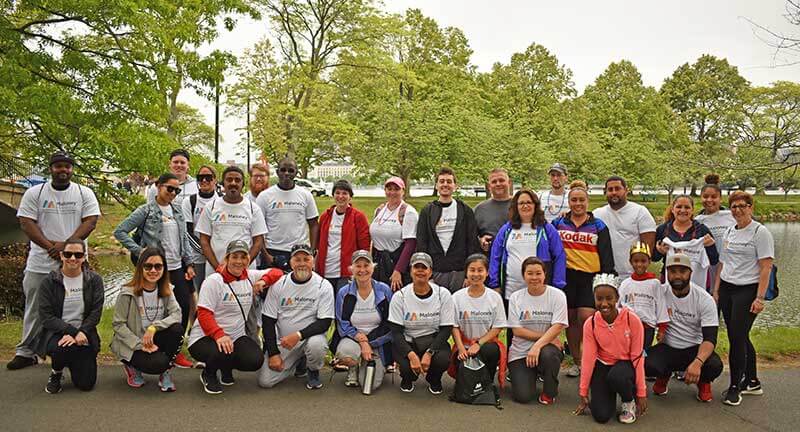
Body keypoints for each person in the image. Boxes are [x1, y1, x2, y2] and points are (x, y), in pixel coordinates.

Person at [11, 151, 100, 370]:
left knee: (78, 306)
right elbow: (26, 222)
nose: (63, 170)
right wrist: (50, 247)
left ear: (72, 169)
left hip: (74, 261)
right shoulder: (35, 192)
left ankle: (75, 347)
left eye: (67, 167)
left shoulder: (83, 192)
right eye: (59, 166)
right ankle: (26, 352)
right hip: (41, 261)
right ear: (51, 168)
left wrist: (66, 246)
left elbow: (90, 221)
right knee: (34, 306)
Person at [115, 172, 196, 368]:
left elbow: (183, 239)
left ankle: (174, 352)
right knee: (152, 310)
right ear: (158, 186)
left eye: (177, 190)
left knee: (183, 308)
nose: (173, 193)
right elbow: (120, 231)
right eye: (169, 188)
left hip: (177, 267)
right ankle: (141, 348)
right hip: (155, 269)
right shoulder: (146, 210)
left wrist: (189, 263)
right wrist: (140, 251)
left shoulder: (177, 211)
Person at [188, 240, 283, 394]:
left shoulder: (251, 276)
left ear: (248, 259)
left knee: (255, 359)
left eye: (243, 257)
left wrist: (263, 281)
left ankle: (226, 368)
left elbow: (277, 273)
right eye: (235, 257)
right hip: (206, 337)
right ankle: (208, 373)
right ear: (227, 258)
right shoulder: (213, 281)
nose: (239, 261)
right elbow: (204, 314)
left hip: (236, 336)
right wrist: (219, 335)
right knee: (220, 350)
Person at [713, 191, 774, 406]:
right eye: (734, 206)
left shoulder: (760, 232)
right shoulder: (730, 230)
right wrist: (716, 289)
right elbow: (722, 263)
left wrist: (760, 298)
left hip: (747, 290)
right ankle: (753, 381)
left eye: (742, 205)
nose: (738, 210)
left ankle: (734, 386)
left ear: (751, 207)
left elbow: (766, 267)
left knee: (737, 338)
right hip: (728, 288)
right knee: (739, 335)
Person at [552, 180, 615, 378]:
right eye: (573, 200)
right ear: (568, 202)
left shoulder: (598, 225)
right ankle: (578, 362)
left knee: (586, 318)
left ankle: (592, 358)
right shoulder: (558, 223)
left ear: (588, 201)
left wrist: (606, 280)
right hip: (566, 277)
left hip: (590, 278)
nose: (578, 203)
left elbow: (606, 256)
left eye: (581, 200)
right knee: (569, 320)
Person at [488, 189, 566, 348]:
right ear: (515, 206)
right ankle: (514, 363)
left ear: (535, 205)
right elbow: (495, 256)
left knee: (539, 323)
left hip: (539, 288)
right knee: (514, 327)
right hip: (512, 288)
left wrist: (557, 285)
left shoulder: (545, 228)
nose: (525, 206)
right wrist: (494, 284)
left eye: (529, 202)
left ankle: (542, 358)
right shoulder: (508, 229)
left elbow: (559, 255)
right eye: (521, 203)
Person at [645, 253, 723, 403]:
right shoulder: (660, 292)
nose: (677, 276)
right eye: (673, 272)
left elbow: (710, 338)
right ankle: (663, 375)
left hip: (694, 348)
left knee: (714, 365)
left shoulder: (705, 299)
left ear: (690, 273)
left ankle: (704, 382)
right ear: (667, 273)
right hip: (668, 347)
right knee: (646, 362)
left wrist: (698, 363)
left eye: (682, 271)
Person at [258, 244, 335, 390]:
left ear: (313, 261)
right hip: (285, 343)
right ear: (291, 262)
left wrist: (298, 335)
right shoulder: (279, 285)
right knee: (265, 382)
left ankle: (312, 369)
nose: (302, 264)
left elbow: (324, 322)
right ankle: (297, 363)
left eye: (306, 259)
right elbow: (268, 321)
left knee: (316, 345)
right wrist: (273, 353)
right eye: (297, 259)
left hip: (308, 339)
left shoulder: (323, 285)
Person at [574, 274, 647, 424]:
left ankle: (628, 400)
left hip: (625, 365)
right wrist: (583, 391)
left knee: (617, 376)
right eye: (599, 299)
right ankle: (609, 394)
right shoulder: (591, 323)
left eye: (609, 298)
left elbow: (638, 357)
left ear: (617, 298)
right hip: (603, 365)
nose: (604, 303)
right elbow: (588, 358)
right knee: (601, 416)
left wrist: (641, 392)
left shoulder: (631, 320)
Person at [34, 238, 104, 393]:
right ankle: (56, 373)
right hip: (58, 333)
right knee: (63, 348)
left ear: (84, 257)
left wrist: (81, 332)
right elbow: (46, 317)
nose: (73, 258)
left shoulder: (94, 280)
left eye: (78, 255)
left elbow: (96, 313)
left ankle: (73, 361)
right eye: (68, 254)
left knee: (86, 385)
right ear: (61, 255)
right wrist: (73, 332)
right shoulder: (49, 282)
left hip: (84, 333)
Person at [110, 247, 184, 392]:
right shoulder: (127, 293)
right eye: (148, 266)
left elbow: (177, 314)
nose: (153, 270)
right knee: (158, 364)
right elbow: (118, 325)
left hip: (153, 338)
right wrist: (139, 344)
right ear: (140, 268)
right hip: (133, 342)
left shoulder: (167, 289)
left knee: (177, 329)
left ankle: (165, 373)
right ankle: (131, 366)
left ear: (164, 268)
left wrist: (154, 327)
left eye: (158, 266)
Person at [388, 252, 454, 394]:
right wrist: (412, 356)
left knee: (442, 359)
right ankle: (407, 378)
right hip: (408, 341)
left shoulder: (443, 294)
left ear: (430, 271)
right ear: (410, 270)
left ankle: (434, 379)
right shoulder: (400, 296)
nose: (420, 271)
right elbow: (396, 333)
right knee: (407, 367)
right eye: (416, 267)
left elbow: (446, 329)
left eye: (424, 267)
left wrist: (429, 353)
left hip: (433, 341)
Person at [507, 257, 568, 406]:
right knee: (523, 397)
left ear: (545, 274)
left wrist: (537, 346)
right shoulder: (516, 297)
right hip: (520, 352)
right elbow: (517, 331)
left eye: (538, 273)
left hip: (547, 349)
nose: (534, 277)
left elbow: (558, 326)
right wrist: (546, 338)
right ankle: (531, 374)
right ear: (523, 275)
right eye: (530, 273)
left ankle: (549, 392)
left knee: (548, 354)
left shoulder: (557, 295)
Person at [332, 250, 393, 391]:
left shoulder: (384, 290)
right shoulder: (344, 293)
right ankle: (353, 367)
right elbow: (343, 325)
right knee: (345, 354)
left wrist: (369, 342)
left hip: (378, 340)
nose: (362, 270)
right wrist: (362, 341)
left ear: (373, 267)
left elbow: (389, 324)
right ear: (351, 269)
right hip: (353, 338)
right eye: (358, 266)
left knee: (371, 385)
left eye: (366, 265)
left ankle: (376, 364)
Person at [416, 167, 480, 293]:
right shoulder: (427, 211)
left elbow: (472, 242)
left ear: (455, 186)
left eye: (449, 181)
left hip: (459, 272)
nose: (445, 184)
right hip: (435, 271)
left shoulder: (465, 210)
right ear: (436, 185)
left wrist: (469, 274)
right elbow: (422, 243)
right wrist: (426, 274)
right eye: (442, 181)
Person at [197, 166, 267, 277]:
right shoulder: (211, 207)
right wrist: (218, 268)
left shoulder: (253, 208)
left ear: (243, 184)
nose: (233, 183)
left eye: (237, 180)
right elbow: (204, 240)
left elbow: (258, 242)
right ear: (223, 183)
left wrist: (243, 265)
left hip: (244, 272)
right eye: (229, 180)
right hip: (216, 272)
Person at [449, 254, 508, 387]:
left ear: (487, 273)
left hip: (486, 345)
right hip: (464, 346)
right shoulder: (457, 297)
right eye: (472, 270)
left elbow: (498, 327)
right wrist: (460, 348)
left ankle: (488, 382)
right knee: (466, 386)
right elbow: (454, 326)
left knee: (491, 350)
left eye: (480, 270)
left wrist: (479, 344)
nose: (476, 274)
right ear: (466, 272)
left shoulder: (494, 297)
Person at [256, 157, 319, 272]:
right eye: (283, 170)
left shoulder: (305, 195)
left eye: (291, 170)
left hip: (299, 252)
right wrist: (265, 255)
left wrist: (312, 251)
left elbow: (314, 224)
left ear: (296, 173)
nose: (286, 173)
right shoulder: (265, 196)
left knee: (298, 288)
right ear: (277, 172)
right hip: (273, 251)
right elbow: (257, 229)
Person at [593, 176, 656, 280]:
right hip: (605, 276)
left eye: (617, 189)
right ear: (605, 192)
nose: (614, 192)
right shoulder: (597, 214)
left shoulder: (640, 212)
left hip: (632, 275)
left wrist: (640, 269)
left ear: (626, 190)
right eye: (610, 189)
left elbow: (648, 247)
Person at [316, 180, 371, 293]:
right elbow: (318, 244)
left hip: (347, 272)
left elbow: (364, 247)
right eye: (337, 193)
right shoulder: (325, 216)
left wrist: (361, 270)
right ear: (333, 195)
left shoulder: (358, 217)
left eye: (345, 193)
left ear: (350, 197)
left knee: (343, 306)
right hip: (325, 270)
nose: (341, 196)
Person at [654, 195, 719, 288]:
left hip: (698, 281)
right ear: (672, 209)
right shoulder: (663, 229)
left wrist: (710, 246)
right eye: (679, 207)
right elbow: (654, 258)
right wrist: (659, 252)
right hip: (670, 280)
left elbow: (714, 261)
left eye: (687, 207)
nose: (683, 210)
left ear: (692, 210)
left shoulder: (702, 230)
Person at [617, 242, 669, 352]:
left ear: (649, 262)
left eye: (643, 261)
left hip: (647, 328)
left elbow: (661, 305)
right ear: (630, 262)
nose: (639, 264)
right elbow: (619, 306)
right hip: (629, 326)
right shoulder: (626, 283)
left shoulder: (654, 283)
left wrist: (662, 328)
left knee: (644, 354)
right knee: (628, 352)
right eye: (636, 261)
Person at [369, 176, 418, 291]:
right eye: (389, 189)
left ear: (403, 191)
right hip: (378, 263)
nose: (392, 192)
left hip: (395, 263)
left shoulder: (408, 212)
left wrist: (398, 270)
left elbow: (411, 244)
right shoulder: (379, 210)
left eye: (396, 189)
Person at [182, 165, 221, 292]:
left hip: (218, 256)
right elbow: (187, 231)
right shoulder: (190, 201)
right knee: (197, 293)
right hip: (197, 257)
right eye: (200, 177)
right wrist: (204, 250)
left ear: (215, 180)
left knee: (216, 292)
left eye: (208, 177)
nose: (204, 181)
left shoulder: (221, 200)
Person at [695, 174, 736, 290]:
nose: (709, 200)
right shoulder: (697, 221)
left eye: (714, 197)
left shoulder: (732, 216)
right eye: (705, 196)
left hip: (731, 273)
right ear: (701, 198)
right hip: (707, 273)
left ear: (720, 198)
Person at [474, 168, 513, 254]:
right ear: (489, 186)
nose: (498, 184)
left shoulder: (521, 206)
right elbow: (471, 236)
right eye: (494, 182)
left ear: (509, 183)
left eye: (501, 180)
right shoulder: (479, 209)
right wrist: (480, 241)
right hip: (489, 260)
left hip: (516, 258)